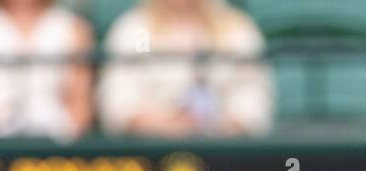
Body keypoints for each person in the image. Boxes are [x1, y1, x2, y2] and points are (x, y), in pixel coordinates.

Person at [97, 0, 271, 138]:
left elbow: (253, 102)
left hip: (225, 155)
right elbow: (119, 105)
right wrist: (167, 125)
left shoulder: (236, 29)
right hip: (152, 155)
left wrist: (219, 126)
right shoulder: (135, 30)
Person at [0, 0, 94, 142]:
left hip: (56, 135)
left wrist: (66, 131)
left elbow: (80, 105)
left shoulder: (75, 27)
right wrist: (2, 127)